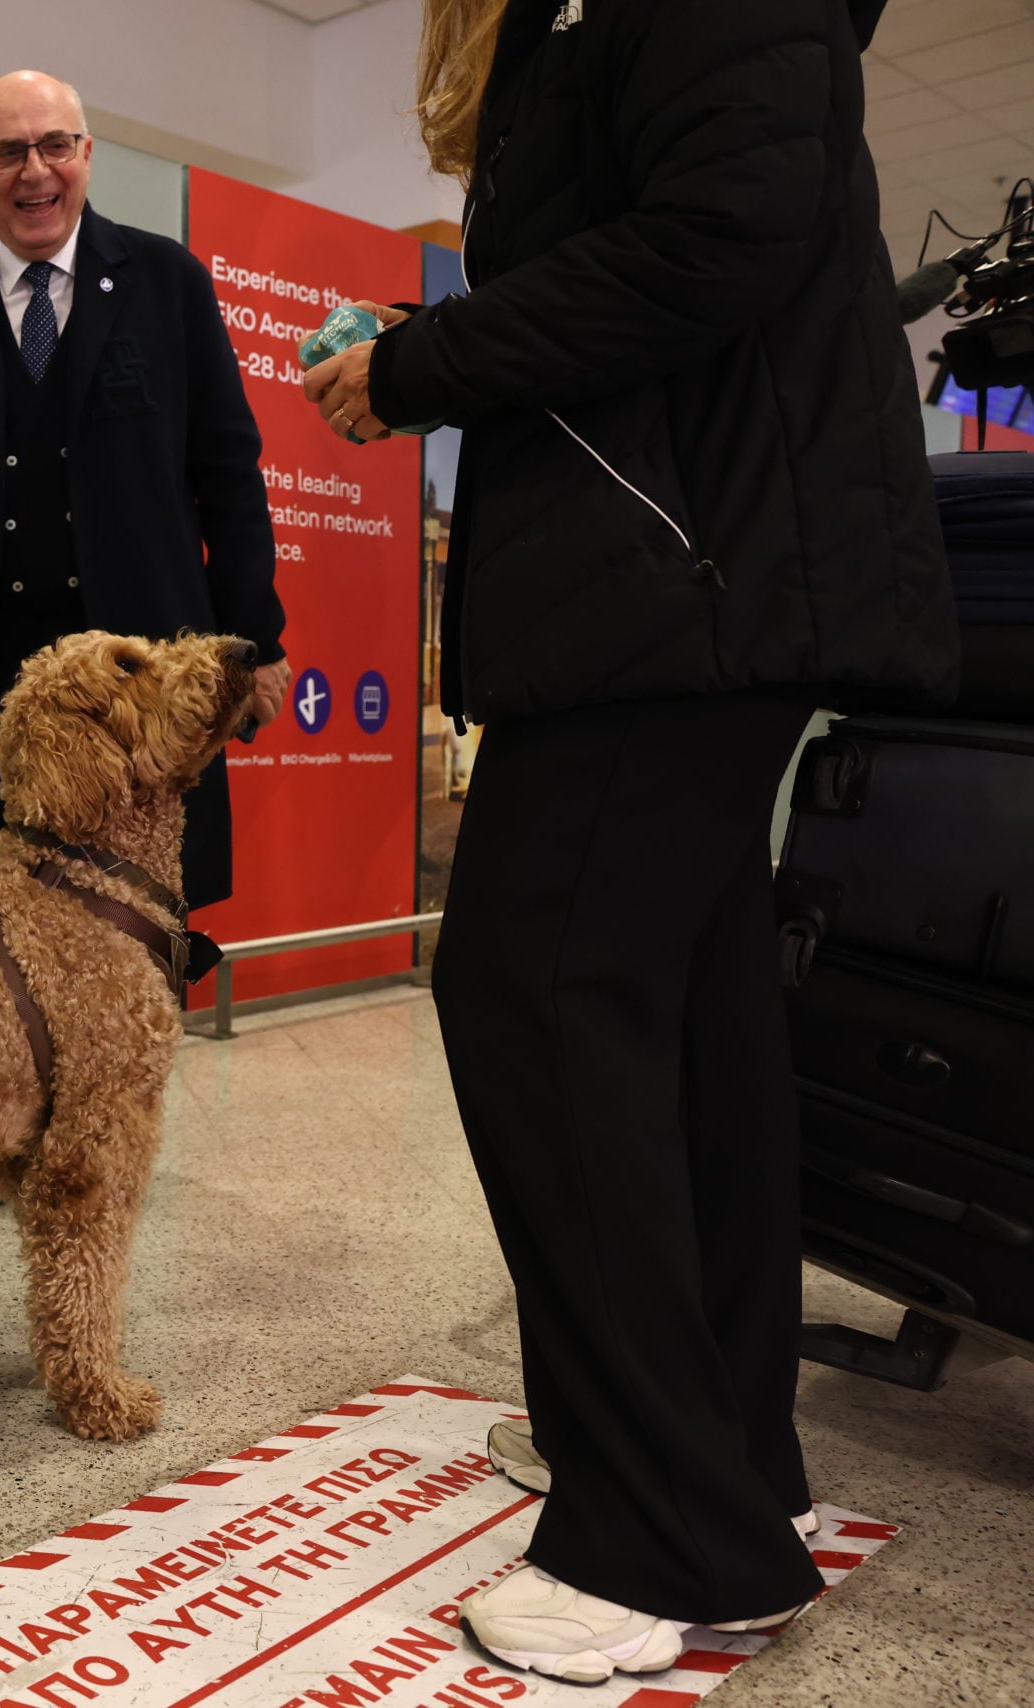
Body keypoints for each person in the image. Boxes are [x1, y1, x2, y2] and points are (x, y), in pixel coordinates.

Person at [303, 0, 957, 1681]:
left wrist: (421, 363)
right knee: (687, 1012)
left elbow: (721, 228)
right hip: (685, 569)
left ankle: (663, 1530)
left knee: (535, 983)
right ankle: (724, 1460)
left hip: (681, 578)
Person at [0, 69, 291, 1209]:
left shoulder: (168, 285)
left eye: (55, 145)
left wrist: (256, 640)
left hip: (138, 675)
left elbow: (227, 474)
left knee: (133, 892)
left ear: (88, 153)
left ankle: (109, 1113)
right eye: (7, 153)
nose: (34, 170)